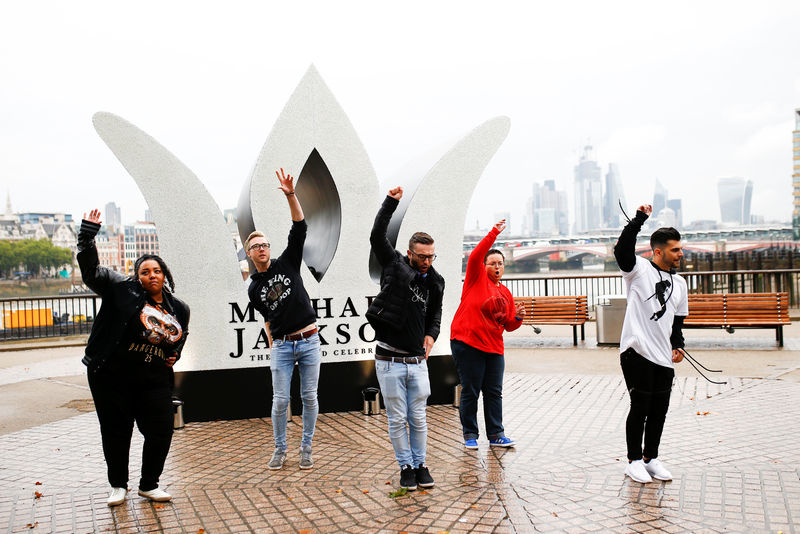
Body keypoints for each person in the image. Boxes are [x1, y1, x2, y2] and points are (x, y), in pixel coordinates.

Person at [77, 209, 190, 507]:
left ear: (164, 275)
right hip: (112, 377)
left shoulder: (179, 307)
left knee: (161, 429)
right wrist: (87, 235)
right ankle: (118, 485)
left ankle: (149, 484)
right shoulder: (120, 290)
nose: (151, 275)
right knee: (116, 431)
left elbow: (180, 336)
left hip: (153, 379)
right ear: (137, 275)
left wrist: (175, 354)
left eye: (156, 271)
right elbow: (92, 273)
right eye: (145, 272)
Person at [366, 186, 445, 491]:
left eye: (431, 256)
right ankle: (406, 467)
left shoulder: (436, 282)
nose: (426, 261)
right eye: (422, 256)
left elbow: (435, 315)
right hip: (389, 360)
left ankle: (421, 464)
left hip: (417, 361)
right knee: (397, 419)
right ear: (410, 253)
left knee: (419, 418)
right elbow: (376, 236)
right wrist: (391, 203)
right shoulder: (394, 264)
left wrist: (431, 335)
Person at [247, 168, 320, 471]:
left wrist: (291, 195)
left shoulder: (288, 262)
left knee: (309, 397)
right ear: (249, 253)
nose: (262, 249)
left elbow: (300, 226)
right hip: (282, 347)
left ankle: (306, 447)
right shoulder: (253, 288)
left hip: (309, 340)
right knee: (280, 401)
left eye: (265, 244)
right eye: (256, 247)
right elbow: (266, 317)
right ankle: (280, 449)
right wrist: (273, 341)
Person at [614, 204, 688, 484]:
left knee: (659, 410)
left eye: (680, 249)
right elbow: (622, 250)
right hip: (636, 351)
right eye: (675, 250)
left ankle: (651, 458)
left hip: (662, 356)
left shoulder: (679, 283)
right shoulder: (638, 270)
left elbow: (677, 320)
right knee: (640, 406)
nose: (681, 254)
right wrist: (639, 220)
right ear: (658, 251)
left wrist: (677, 344)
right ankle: (633, 461)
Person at [450, 219, 525, 449]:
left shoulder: (506, 293)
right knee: (471, 390)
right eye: (492, 263)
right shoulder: (475, 279)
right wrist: (494, 232)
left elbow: (508, 325)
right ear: (484, 266)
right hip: (468, 342)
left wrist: (519, 317)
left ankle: (496, 435)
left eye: (500, 263)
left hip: (493, 347)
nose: (497, 267)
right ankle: (470, 435)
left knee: (494, 392)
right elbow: (474, 256)